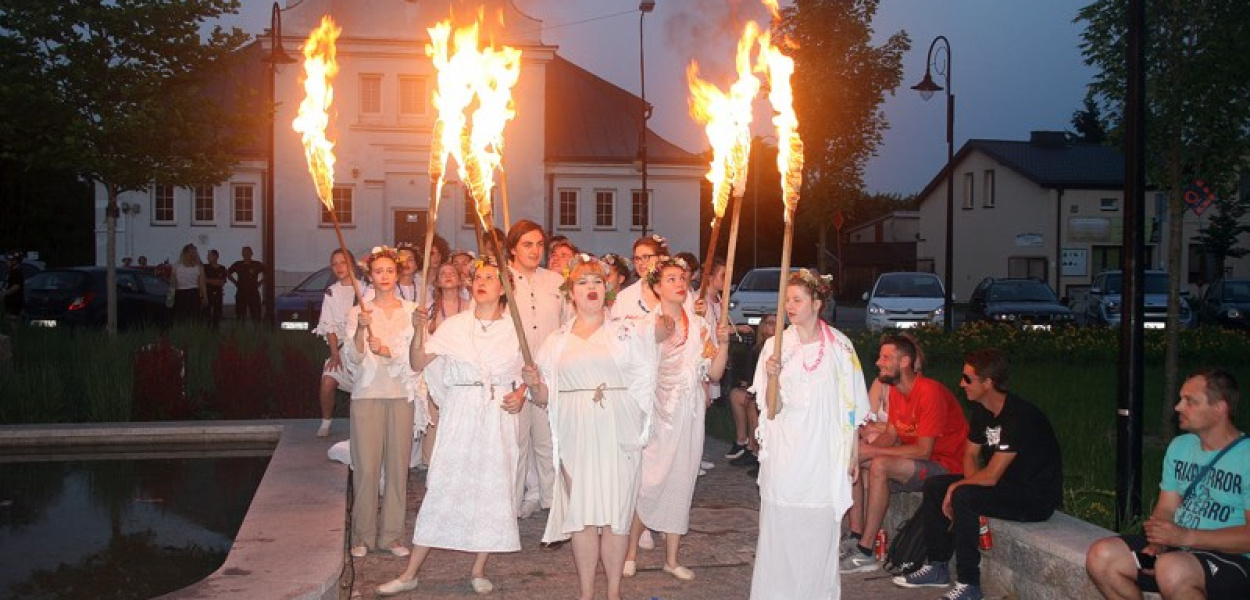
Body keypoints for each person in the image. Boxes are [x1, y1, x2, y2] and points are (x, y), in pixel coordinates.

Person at [376, 257, 526, 597]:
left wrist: (520, 393)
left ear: (504, 288)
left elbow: (527, 374)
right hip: (461, 412)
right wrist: (419, 331)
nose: (481, 281)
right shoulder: (455, 326)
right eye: (478, 277)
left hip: (497, 415)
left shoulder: (514, 329)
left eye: (490, 277)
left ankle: (478, 568)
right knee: (444, 484)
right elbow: (417, 362)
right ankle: (411, 572)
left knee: (492, 487)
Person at [521, 254, 667, 600]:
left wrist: (668, 301)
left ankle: (613, 592)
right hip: (575, 432)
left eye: (598, 282)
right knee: (583, 513)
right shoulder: (555, 341)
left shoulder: (626, 330)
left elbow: (662, 331)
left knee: (616, 513)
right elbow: (543, 398)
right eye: (582, 282)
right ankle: (586, 593)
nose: (591, 288)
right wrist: (533, 384)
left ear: (608, 290)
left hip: (618, 429)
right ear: (570, 292)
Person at [892, 348, 1062, 600]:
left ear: (988, 382)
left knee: (962, 497)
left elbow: (991, 475)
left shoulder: (1020, 417)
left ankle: (969, 584)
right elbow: (970, 456)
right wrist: (962, 484)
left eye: (968, 379)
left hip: (1034, 497)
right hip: (1005, 486)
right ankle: (937, 566)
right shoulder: (982, 412)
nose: (961, 384)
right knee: (935, 485)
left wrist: (960, 488)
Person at [748, 269, 869, 600]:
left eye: (797, 299)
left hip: (822, 455)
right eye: (787, 299)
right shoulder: (776, 346)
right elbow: (770, 410)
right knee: (782, 532)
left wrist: (853, 454)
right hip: (787, 457)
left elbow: (853, 408)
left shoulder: (841, 348)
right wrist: (772, 376)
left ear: (817, 303)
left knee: (817, 534)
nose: (789, 306)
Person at [1086, 368, 1250, 600]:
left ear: (1220, 408)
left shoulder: (1246, 456)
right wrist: (1157, 544)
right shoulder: (1180, 447)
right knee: (1101, 556)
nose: (1178, 407)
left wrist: (1187, 537)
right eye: (1180, 399)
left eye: (1189, 401)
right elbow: (1167, 509)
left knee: (1171, 569)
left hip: (1233, 559)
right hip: (1179, 547)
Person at [625, 255, 730, 580]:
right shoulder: (645, 327)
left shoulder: (699, 326)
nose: (679, 283)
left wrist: (723, 344)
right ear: (656, 287)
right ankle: (629, 552)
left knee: (681, 481)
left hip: (689, 412)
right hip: (656, 412)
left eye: (682, 278)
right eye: (670, 279)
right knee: (649, 481)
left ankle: (671, 559)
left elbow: (713, 373)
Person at [841, 334, 969, 573]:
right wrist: (861, 452)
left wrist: (872, 451)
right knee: (855, 462)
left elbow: (924, 450)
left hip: (945, 467)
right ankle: (856, 534)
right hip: (918, 463)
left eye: (886, 357)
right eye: (880, 357)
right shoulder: (897, 391)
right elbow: (890, 435)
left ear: (905, 362)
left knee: (879, 465)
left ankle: (866, 551)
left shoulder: (929, 392)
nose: (879, 362)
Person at [343, 246, 421, 559]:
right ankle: (362, 535)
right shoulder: (358, 311)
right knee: (366, 467)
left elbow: (416, 357)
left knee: (398, 466)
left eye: (390, 271)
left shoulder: (412, 309)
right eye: (379, 272)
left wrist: (391, 349)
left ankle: (392, 535)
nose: (385, 277)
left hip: (401, 394)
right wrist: (361, 331)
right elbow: (354, 358)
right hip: (367, 395)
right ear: (370, 276)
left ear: (398, 273)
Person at [505, 220, 566, 521]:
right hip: (512, 375)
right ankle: (511, 510)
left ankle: (553, 507)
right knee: (515, 447)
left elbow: (567, 327)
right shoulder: (502, 279)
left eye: (539, 244)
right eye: (527, 244)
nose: (535, 250)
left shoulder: (556, 281)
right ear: (513, 247)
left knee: (548, 445)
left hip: (546, 376)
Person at [418, 261, 469, 466]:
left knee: (460, 420)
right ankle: (431, 463)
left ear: (459, 279)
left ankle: (457, 464)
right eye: (443, 274)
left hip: (461, 371)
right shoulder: (429, 309)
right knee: (435, 416)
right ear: (437, 281)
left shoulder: (469, 307)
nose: (448, 276)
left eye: (452, 273)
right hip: (436, 371)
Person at [312, 249, 361, 438]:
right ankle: (326, 421)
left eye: (343, 262)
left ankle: (357, 428)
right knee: (327, 381)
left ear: (352, 264)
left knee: (359, 392)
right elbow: (330, 325)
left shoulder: (364, 289)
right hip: (339, 349)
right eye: (335, 263)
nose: (339, 267)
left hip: (361, 350)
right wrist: (334, 354)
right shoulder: (333, 292)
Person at [725, 313, 777, 472]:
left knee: (752, 404)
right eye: (768, 323)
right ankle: (743, 443)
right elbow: (752, 373)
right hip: (758, 390)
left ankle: (756, 451)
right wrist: (746, 385)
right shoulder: (757, 347)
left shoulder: (780, 347)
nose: (772, 326)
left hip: (773, 395)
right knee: (736, 395)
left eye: (775, 323)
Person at [613, 235, 668, 319]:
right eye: (637, 258)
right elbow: (615, 328)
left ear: (661, 258)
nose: (641, 263)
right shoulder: (624, 297)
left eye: (646, 257)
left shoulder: (676, 290)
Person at [169, 244, 207, 324]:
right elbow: (172, 282)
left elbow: (202, 284)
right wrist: (171, 296)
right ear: (186, 253)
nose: (193, 254)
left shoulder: (199, 267)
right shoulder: (177, 266)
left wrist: (205, 297)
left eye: (194, 252)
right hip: (182, 294)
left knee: (192, 318)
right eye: (191, 252)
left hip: (192, 294)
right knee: (182, 318)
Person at [227, 246, 265, 322]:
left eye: (248, 252)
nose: (246, 254)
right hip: (241, 292)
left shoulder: (256, 264)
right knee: (240, 315)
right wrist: (235, 282)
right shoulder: (238, 264)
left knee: (256, 315)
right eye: (244, 252)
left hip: (253, 292)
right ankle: (241, 330)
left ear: (251, 253)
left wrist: (260, 282)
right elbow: (228, 273)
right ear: (242, 254)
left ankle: (257, 331)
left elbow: (268, 273)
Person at [203, 249, 227, 331]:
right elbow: (203, 280)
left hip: (218, 294)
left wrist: (210, 281)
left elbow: (222, 282)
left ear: (216, 256)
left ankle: (215, 332)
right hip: (207, 293)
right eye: (207, 255)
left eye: (209, 255)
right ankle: (207, 331)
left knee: (217, 314)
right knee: (207, 315)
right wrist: (215, 281)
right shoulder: (204, 267)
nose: (207, 257)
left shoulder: (222, 268)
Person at [2, 253, 24, 323]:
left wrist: (4, 294)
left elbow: (16, 286)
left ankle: (15, 333)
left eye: (8, 260)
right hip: (9, 302)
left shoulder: (16, 272)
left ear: (14, 261)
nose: (6, 262)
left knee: (13, 321)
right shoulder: (11, 272)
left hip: (15, 302)